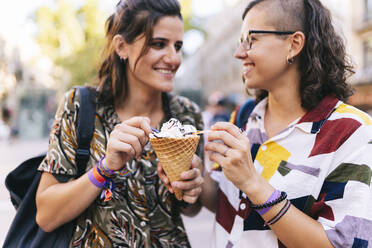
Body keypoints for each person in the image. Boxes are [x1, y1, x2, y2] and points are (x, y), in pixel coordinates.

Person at [200, 0, 372, 247]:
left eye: (251, 39)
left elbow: (341, 243)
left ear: (294, 44)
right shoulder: (244, 115)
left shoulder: (352, 130)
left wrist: (253, 184)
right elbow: (226, 202)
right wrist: (195, 180)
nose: (239, 53)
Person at [35, 0, 204, 247]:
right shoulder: (80, 105)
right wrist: (105, 168)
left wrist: (189, 190)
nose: (173, 58)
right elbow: (46, 215)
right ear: (122, 47)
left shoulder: (187, 114)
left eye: (178, 46)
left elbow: (191, 209)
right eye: (159, 44)